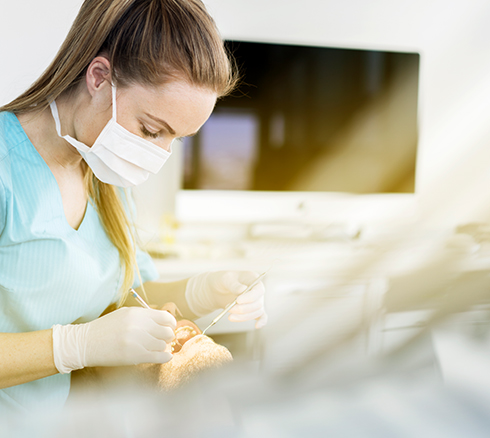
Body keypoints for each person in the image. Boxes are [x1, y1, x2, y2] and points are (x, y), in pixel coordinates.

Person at [0, 0, 267, 413]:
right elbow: (94, 336)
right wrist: (76, 346)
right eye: (151, 130)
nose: (157, 155)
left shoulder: (103, 172)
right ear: (99, 77)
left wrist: (202, 290)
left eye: (175, 140)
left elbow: (124, 299)